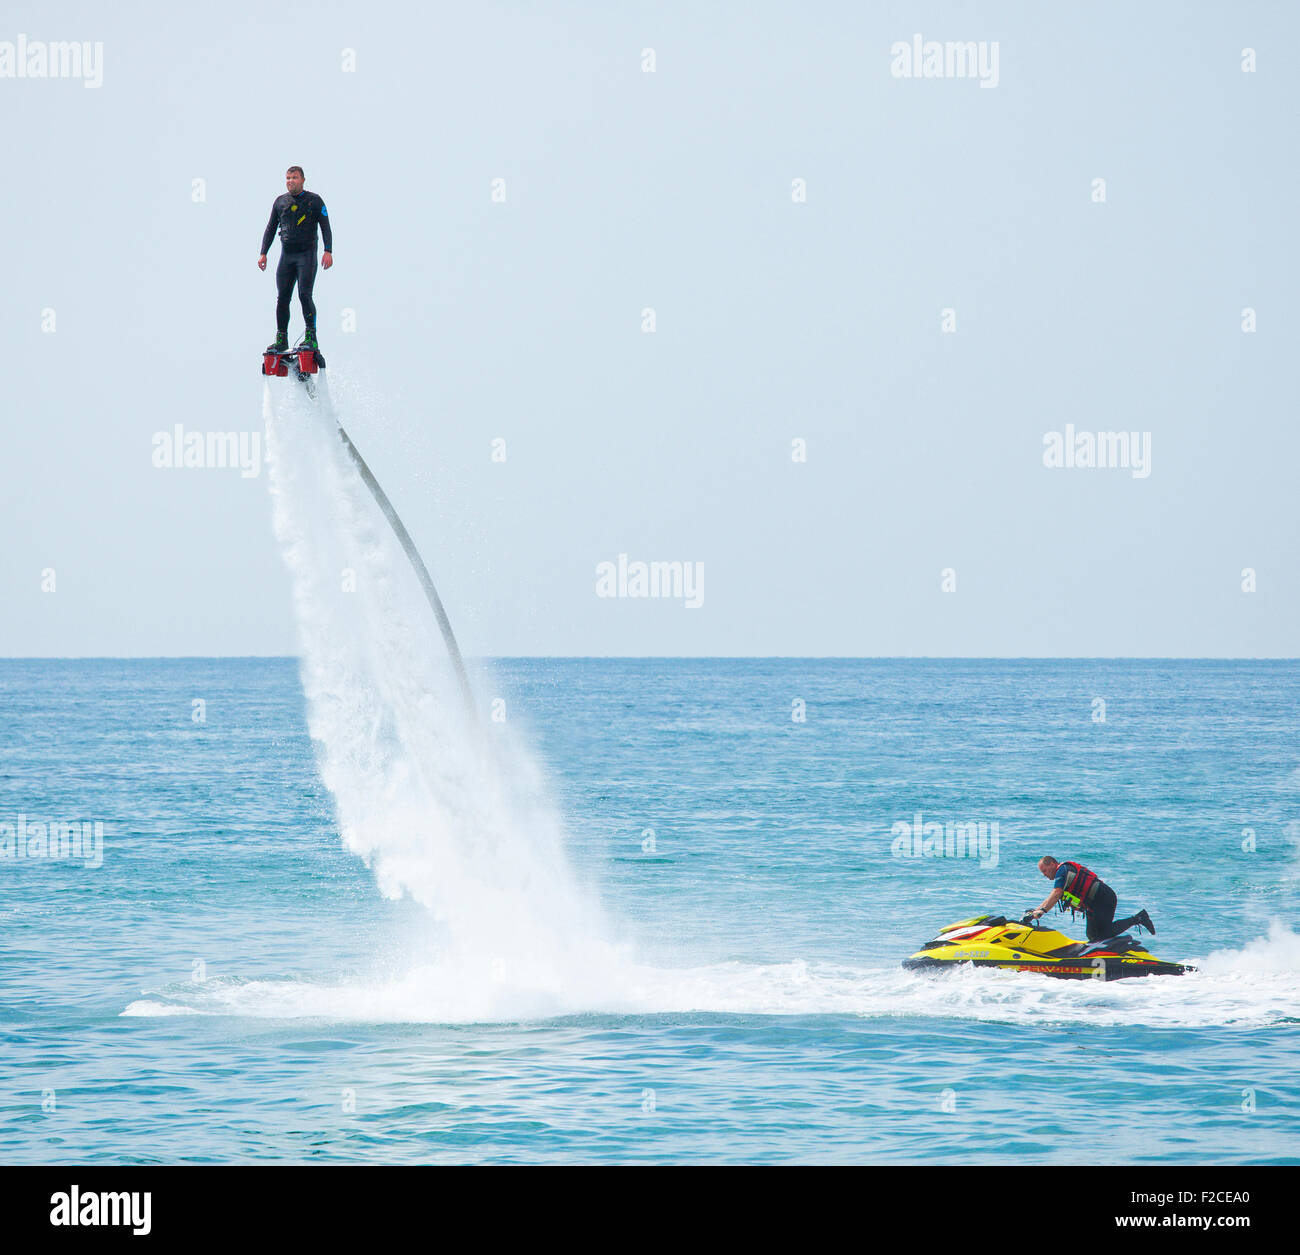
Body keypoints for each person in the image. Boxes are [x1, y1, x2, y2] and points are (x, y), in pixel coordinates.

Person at [258, 165, 333, 352]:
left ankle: (311, 337)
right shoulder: (280, 202)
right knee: (282, 298)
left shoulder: (314, 201)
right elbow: (270, 228)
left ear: (303, 180)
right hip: (287, 256)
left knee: (304, 295)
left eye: (294, 178)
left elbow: (325, 226)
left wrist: (328, 251)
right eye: (288, 178)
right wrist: (263, 253)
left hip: (306, 255)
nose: (291, 181)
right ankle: (281, 339)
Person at [1029, 855, 1155, 942]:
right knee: (1092, 936)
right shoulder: (1062, 872)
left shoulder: (1062, 871)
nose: (1044, 875)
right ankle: (1113, 950)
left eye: (1045, 871)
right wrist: (1036, 910)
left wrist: (1043, 911)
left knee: (1102, 934)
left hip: (1104, 899)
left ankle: (1139, 918)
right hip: (1094, 904)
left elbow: (1056, 893)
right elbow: (1052, 896)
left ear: (1052, 864)